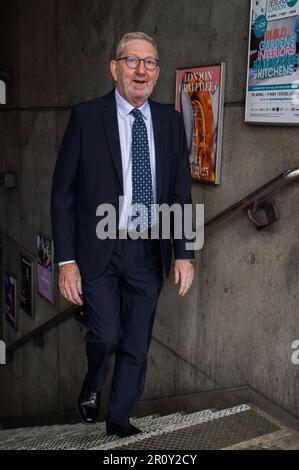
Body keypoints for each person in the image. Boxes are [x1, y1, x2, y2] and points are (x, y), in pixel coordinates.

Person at [51, 32, 194, 438]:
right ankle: (94, 379)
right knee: (106, 334)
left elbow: (181, 192)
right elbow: (62, 195)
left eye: (149, 63)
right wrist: (66, 262)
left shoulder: (169, 122)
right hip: (98, 247)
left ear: (157, 72)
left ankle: (118, 419)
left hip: (149, 248)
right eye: (132, 61)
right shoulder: (86, 117)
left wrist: (184, 253)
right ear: (114, 68)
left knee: (135, 340)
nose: (141, 70)